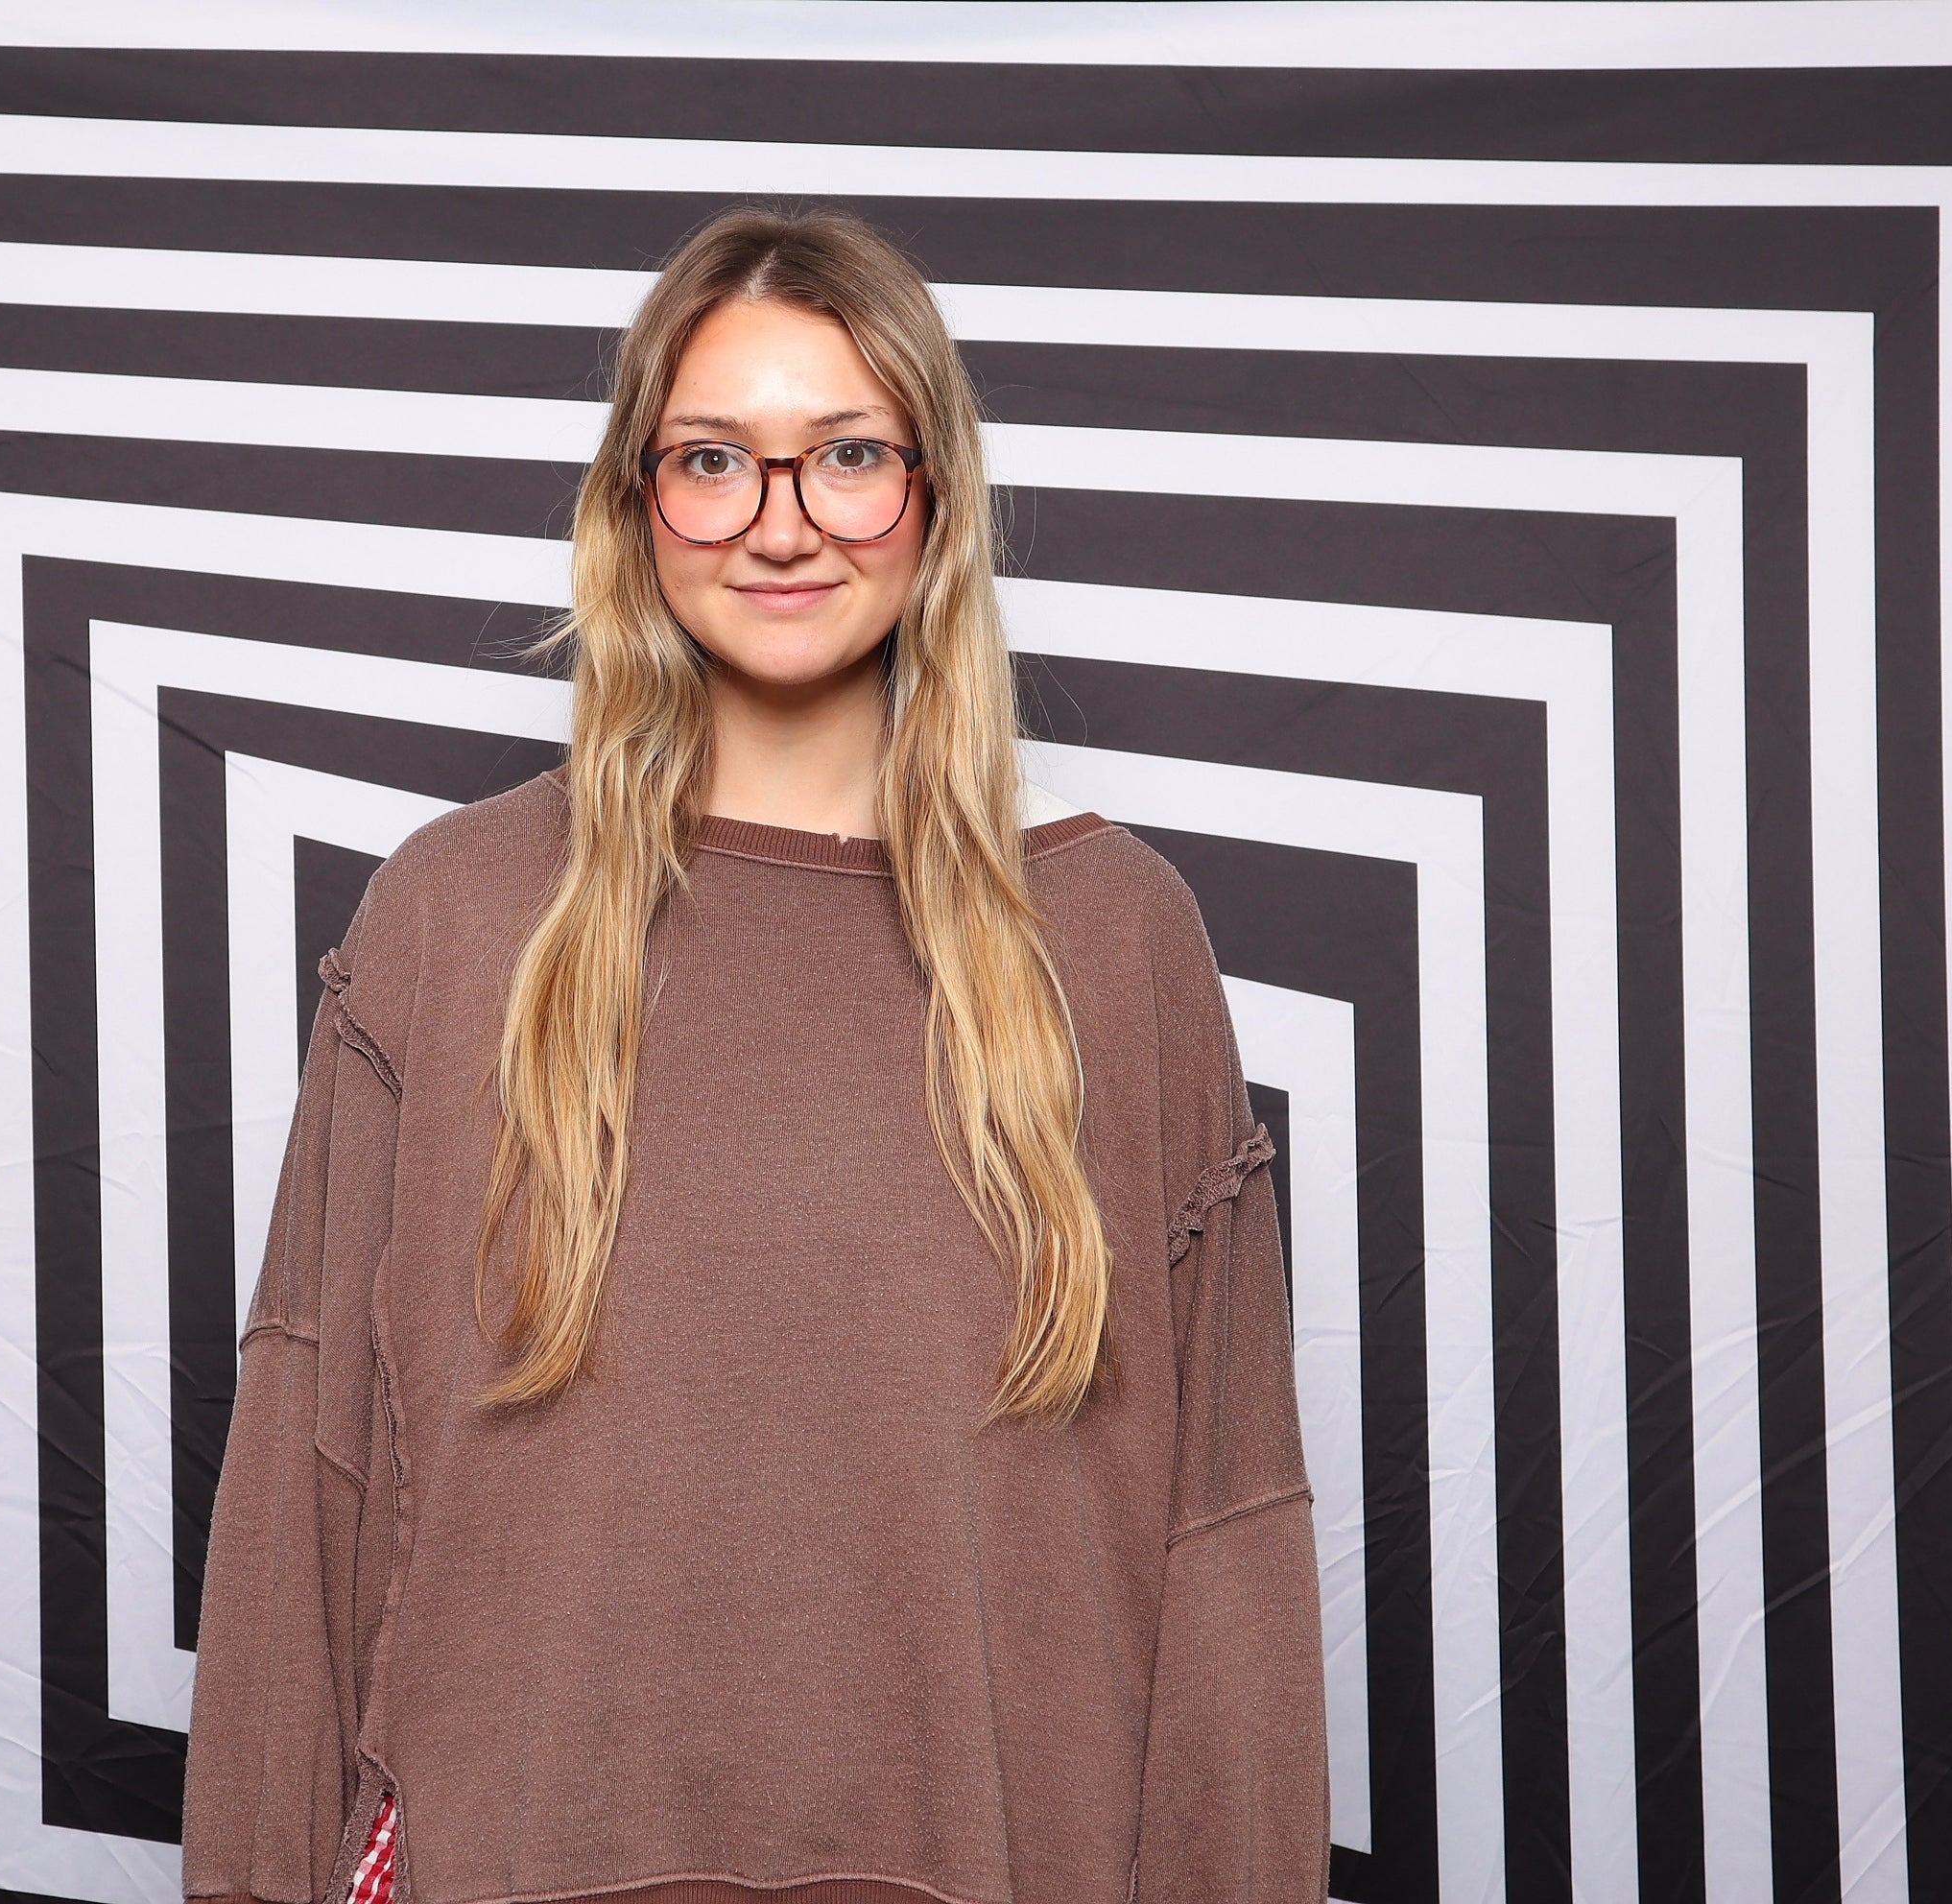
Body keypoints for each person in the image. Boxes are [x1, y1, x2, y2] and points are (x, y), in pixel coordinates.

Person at [180, 204, 1326, 1904]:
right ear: (637, 505)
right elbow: (308, 1469)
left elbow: (1226, 1540)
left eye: (846, 455)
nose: (781, 525)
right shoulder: (454, 918)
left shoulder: (1116, 941)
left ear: (934, 497)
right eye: (715, 460)